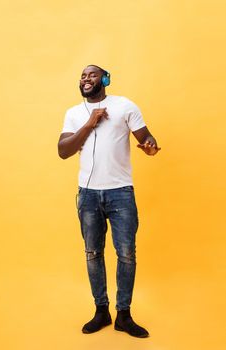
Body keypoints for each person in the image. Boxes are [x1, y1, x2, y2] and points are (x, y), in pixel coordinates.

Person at [58, 64, 161, 338]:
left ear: (105, 79)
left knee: (126, 254)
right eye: (82, 75)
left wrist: (150, 146)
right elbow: (63, 151)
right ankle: (101, 311)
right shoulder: (73, 113)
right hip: (88, 194)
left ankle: (123, 315)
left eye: (92, 74)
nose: (86, 78)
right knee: (93, 253)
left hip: (120, 192)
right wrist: (90, 123)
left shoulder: (125, 105)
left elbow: (146, 137)